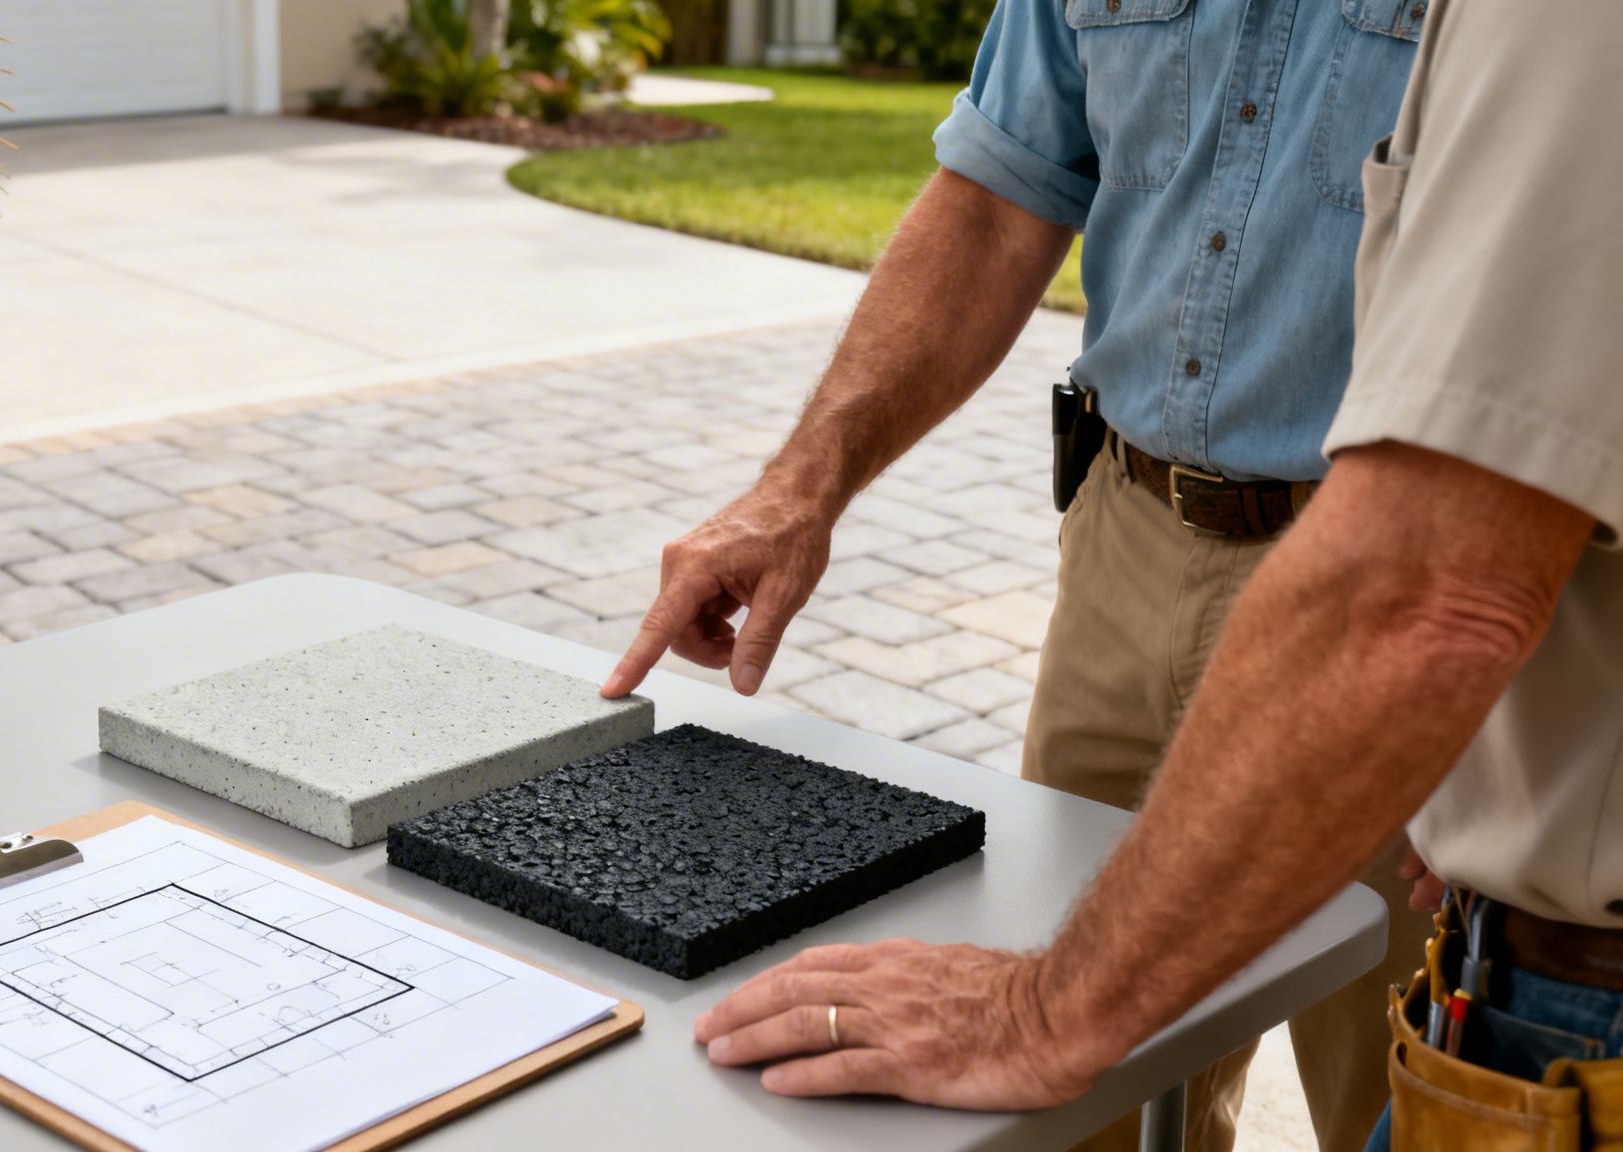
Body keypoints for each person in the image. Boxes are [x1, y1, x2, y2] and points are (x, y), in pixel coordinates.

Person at [684, 1, 1623, 1149]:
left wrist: (1036, 1015)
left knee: (1392, 1088)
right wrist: (799, 485)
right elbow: (994, 193)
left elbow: (1436, 577)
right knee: (1071, 1114)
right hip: (1125, 542)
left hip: (1385, 588)